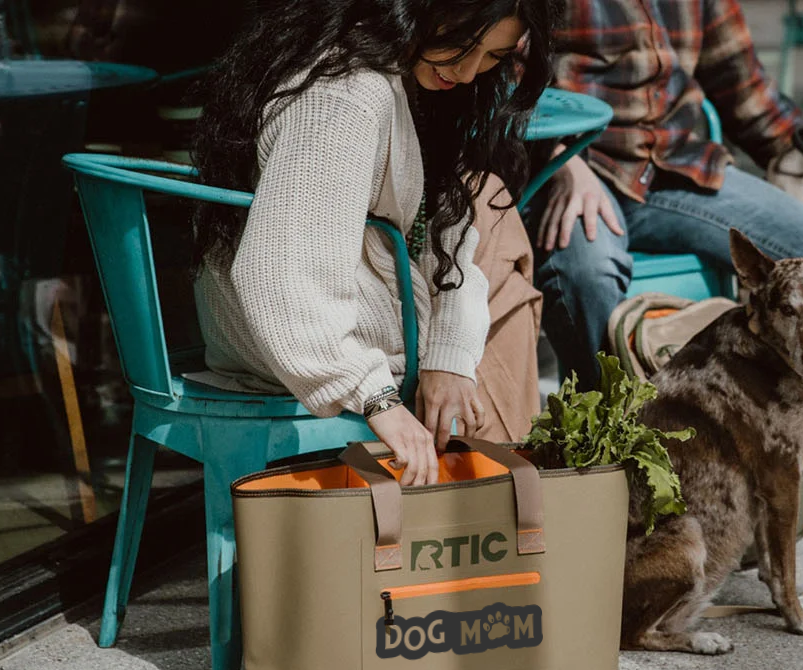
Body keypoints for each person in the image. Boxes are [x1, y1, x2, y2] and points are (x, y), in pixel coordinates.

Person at [189, 0, 557, 485]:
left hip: (343, 317)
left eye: (492, 57)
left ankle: (504, 498)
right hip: (302, 343)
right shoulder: (346, 93)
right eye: (461, 45)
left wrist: (448, 354)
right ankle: (510, 503)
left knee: (487, 222)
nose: (469, 73)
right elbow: (282, 271)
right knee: (503, 288)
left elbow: (441, 223)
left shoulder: (390, 72)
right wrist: (375, 395)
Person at [533, 0, 803, 390]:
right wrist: (559, 157)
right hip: (579, 167)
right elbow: (505, 79)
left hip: (678, 168)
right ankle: (603, 426)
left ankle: (767, 409)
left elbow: (748, 94)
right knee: (586, 274)